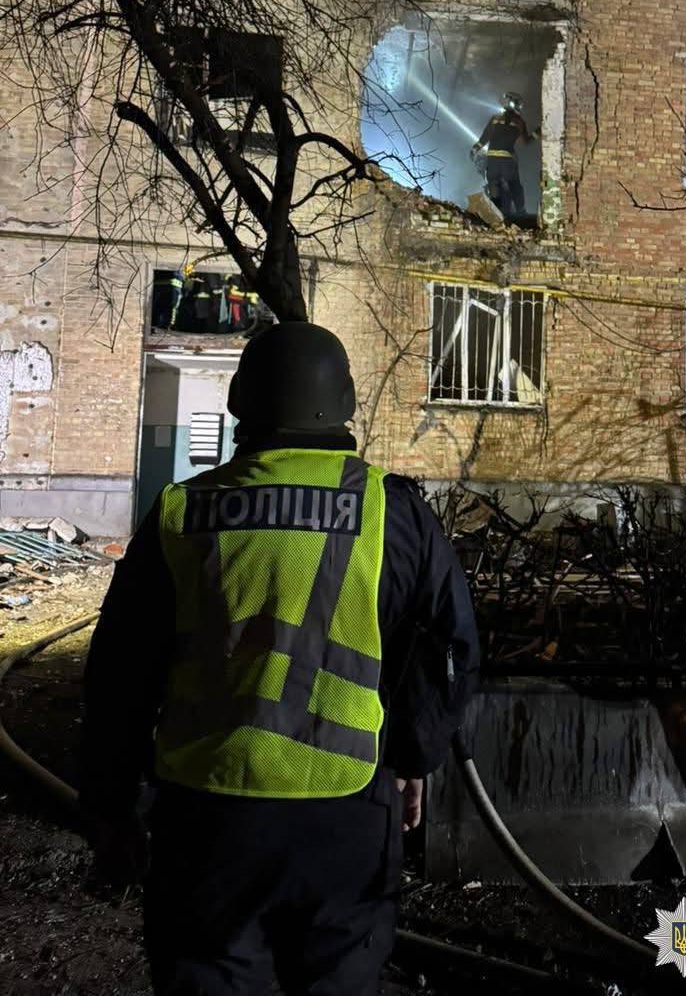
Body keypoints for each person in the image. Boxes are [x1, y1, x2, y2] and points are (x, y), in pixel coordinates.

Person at [80, 321, 480, 996]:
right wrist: (414, 757)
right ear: (344, 403)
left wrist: (110, 809)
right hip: (347, 812)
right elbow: (449, 649)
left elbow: (119, 677)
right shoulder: (390, 510)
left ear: (240, 402)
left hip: (206, 819)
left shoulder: (180, 511)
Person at [471, 91, 535, 219]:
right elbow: (526, 141)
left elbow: (484, 138)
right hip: (507, 161)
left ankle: (494, 213)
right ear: (516, 106)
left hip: (492, 161)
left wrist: (474, 150)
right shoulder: (519, 122)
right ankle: (521, 212)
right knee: (515, 185)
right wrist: (538, 132)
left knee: (494, 187)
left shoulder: (495, 119)